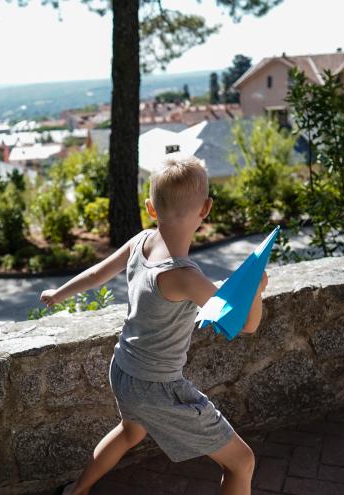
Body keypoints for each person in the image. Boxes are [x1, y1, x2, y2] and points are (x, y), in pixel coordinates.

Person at [40, 156, 268, 495]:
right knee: (241, 462)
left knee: (130, 432)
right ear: (205, 209)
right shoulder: (187, 278)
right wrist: (258, 290)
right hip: (158, 388)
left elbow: (97, 273)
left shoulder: (141, 242)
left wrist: (58, 294)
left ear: (150, 207)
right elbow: (248, 326)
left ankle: (76, 491)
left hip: (123, 370)